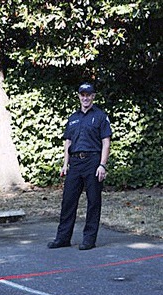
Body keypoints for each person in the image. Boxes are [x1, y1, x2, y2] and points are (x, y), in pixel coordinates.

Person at [48, 82, 112, 250]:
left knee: (93, 202)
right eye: (82, 95)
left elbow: (106, 143)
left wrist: (102, 165)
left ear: (93, 96)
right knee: (68, 201)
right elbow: (68, 142)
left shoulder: (100, 116)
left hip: (92, 162)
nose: (85, 98)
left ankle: (89, 239)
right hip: (75, 163)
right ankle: (63, 238)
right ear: (79, 96)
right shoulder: (73, 118)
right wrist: (65, 164)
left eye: (88, 95)